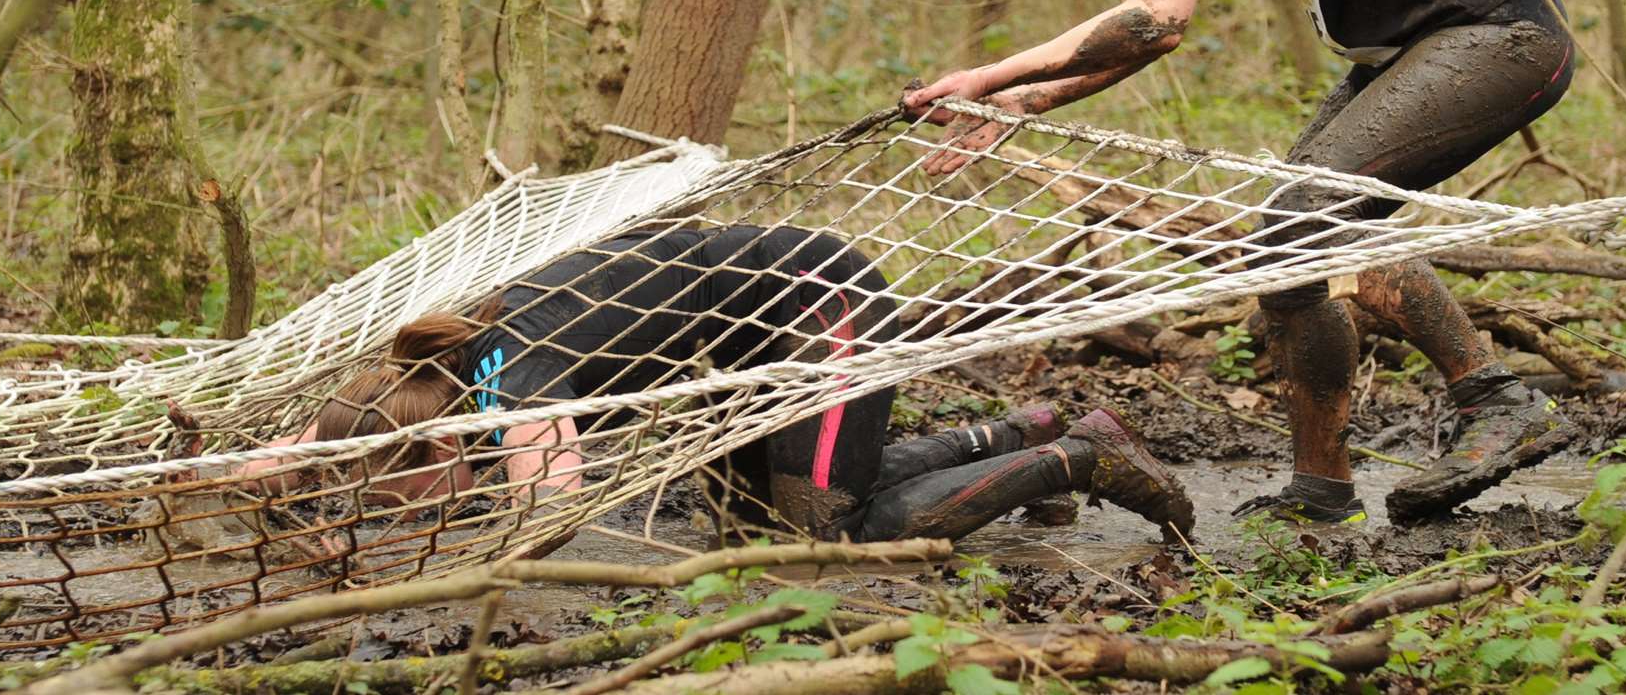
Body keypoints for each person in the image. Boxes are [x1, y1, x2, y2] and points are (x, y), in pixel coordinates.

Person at [901, 0, 1576, 526]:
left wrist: (990, 73)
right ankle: (1322, 489)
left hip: (1499, 34)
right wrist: (1024, 102)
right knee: (1286, 257)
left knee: (1299, 228)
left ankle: (1498, 402)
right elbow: (1142, 33)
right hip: (1410, 48)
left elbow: (1154, 19)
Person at [238, 224, 1195, 544]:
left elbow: (552, 503)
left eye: (401, 494)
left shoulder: (504, 380)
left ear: (440, 442)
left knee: (825, 532)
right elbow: (346, 444)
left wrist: (479, 544)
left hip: (819, 304)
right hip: (747, 338)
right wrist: (284, 468)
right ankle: (1014, 430)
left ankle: (1079, 457)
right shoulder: (449, 371)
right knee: (747, 521)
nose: (408, 512)